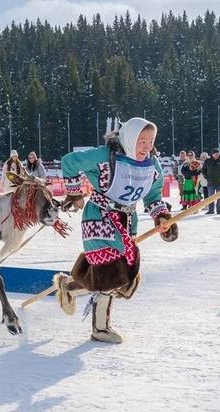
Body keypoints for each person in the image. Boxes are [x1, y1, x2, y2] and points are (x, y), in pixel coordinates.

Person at [54, 117, 179, 344]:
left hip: (127, 221)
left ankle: (70, 288)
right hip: (100, 218)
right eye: (141, 141)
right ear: (129, 138)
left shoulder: (153, 165)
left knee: (124, 278)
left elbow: (153, 195)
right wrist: (73, 192)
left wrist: (161, 217)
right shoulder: (105, 156)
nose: (147, 147)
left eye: (151, 141)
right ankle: (100, 328)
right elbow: (69, 162)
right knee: (113, 274)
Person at [201, 148, 220, 214]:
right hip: (210, 183)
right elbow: (203, 170)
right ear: (212, 154)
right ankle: (211, 210)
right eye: (215, 154)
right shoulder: (207, 161)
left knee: (219, 197)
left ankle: (219, 210)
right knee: (211, 197)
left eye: (218, 154)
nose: (217, 155)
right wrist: (206, 176)